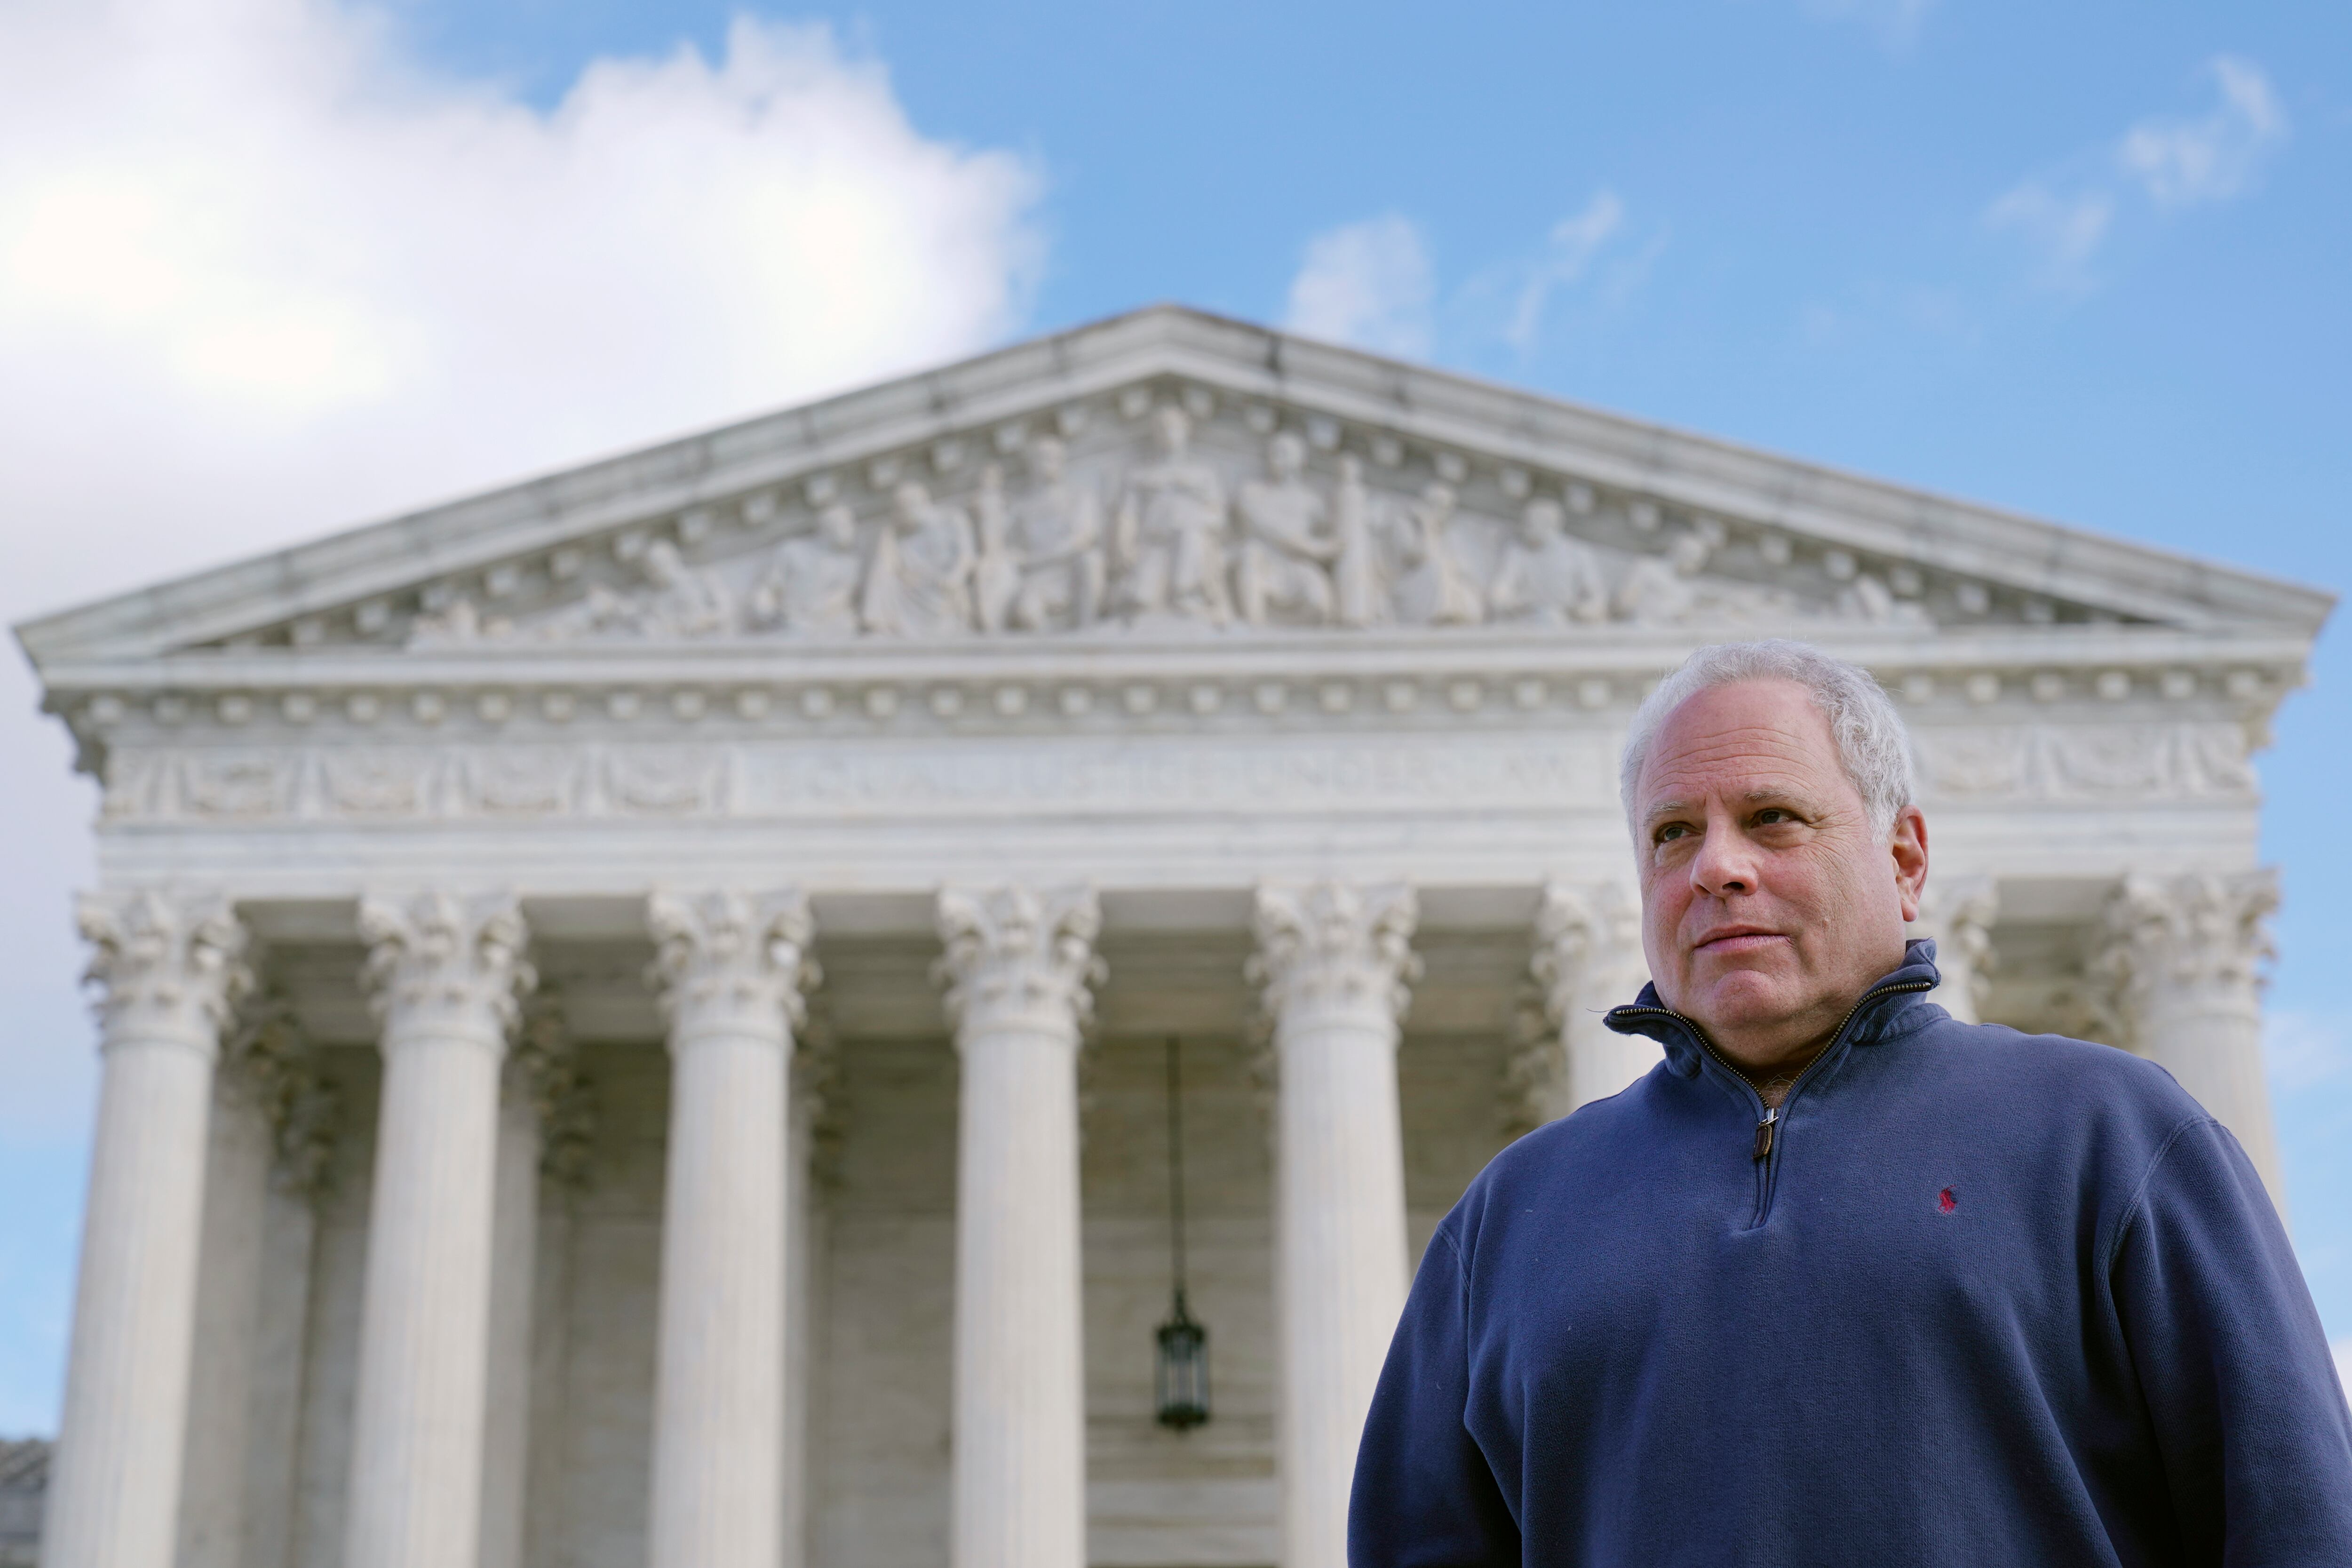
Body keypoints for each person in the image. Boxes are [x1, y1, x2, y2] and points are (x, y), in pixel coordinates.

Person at [1351, 639, 2352, 1566]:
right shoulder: (1508, 1219)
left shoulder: (2112, 1137)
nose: (1715, 865)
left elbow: (2298, 1525)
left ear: (1906, 859)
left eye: (1772, 817)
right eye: (1671, 833)